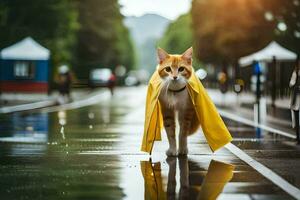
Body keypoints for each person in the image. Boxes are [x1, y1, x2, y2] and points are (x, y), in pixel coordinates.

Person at [289, 57, 300, 143]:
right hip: (296, 99)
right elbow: (291, 85)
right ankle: (298, 136)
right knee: (296, 119)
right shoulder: (295, 73)